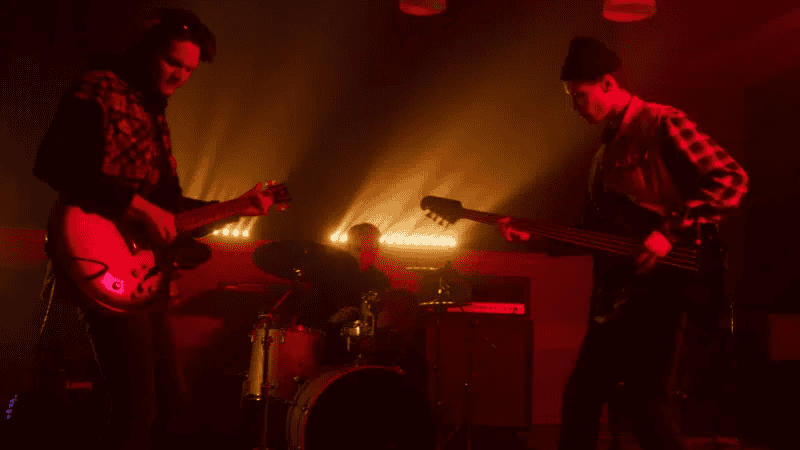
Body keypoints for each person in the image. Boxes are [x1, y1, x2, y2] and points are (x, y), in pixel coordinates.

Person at [33, 8, 276, 450]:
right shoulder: (99, 88)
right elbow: (55, 163)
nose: (180, 75)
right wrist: (137, 207)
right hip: (95, 254)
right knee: (138, 405)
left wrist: (242, 206)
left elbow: (170, 214)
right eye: (172, 63)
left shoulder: (154, 116)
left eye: (188, 69)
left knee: (168, 404)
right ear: (148, 51)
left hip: (140, 276)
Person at [499, 36, 748, 450]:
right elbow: (595, 234)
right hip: (619, 298)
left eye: (580, 95)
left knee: (645, 406)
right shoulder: (603, 155)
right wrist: (534, 236)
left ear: (608, 84)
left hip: (668, 289)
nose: (575, 106)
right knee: (582, 398)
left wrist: (670, 232)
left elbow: (730, 180)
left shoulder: (662, 122)